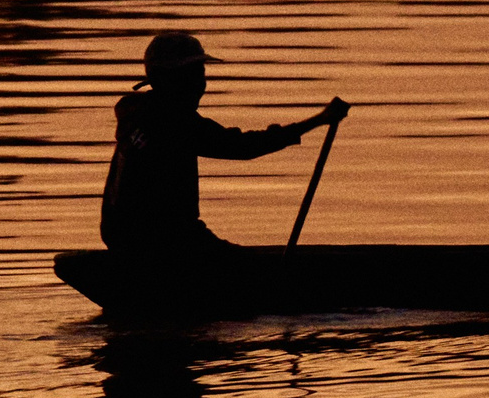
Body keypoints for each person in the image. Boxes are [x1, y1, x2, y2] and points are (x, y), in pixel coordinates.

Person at [101, 32, 349, 258]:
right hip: (169, 242)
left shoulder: (134, 114)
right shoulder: (174, 124)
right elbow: (241, 146)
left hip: (122, 238)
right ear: (169, 79)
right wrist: (319, 120)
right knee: (251, 267)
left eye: (201, 75)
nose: (200, 84)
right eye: (193, 75)